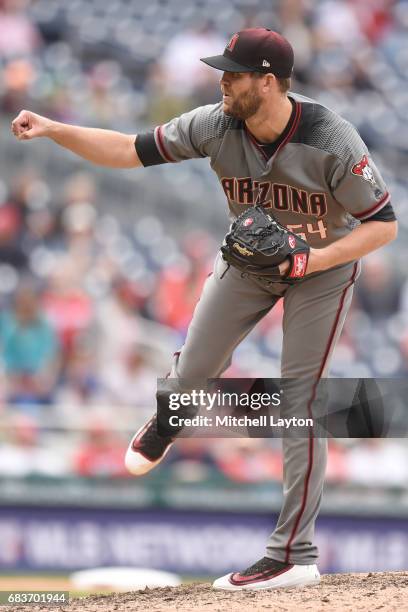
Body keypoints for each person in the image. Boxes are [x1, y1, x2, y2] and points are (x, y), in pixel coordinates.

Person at [11, 28, 397, 591]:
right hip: (250, 259)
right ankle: (171, 414)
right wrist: (53, 129)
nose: (221, 80)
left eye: (233, 73)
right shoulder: (215, 124)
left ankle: (293, 553)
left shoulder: (332, 139)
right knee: (191, 378)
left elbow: (383, 227)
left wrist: (312, 261)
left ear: (267, 82)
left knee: (301, 396)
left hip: (322, 267)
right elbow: (128, 149)